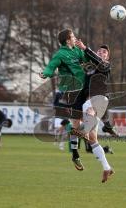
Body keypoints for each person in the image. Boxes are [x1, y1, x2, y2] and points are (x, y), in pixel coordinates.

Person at [39, 28, 89, 171]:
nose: (75, 38)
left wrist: (85, 49)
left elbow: (86, 59)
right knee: (76, 123)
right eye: (73, 37)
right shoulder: (60, 54)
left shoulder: (76, 51)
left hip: (83, 88)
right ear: (67, 40)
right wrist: (45, 73)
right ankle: (75, 153)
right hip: (70, 90)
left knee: (78, 124)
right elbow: (51, 66)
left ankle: (76, 151)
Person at [72, 40, 115, 182]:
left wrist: (85, 48)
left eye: (104, 52)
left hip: (99, 100)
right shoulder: (90, 70)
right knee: (92, 139)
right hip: (89, 102)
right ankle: (107, 168)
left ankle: (82, 130)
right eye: (99, 51)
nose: (101, 53)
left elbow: (98, 62)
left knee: (90, 111)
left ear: (107, 57)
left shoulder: (106, 65)